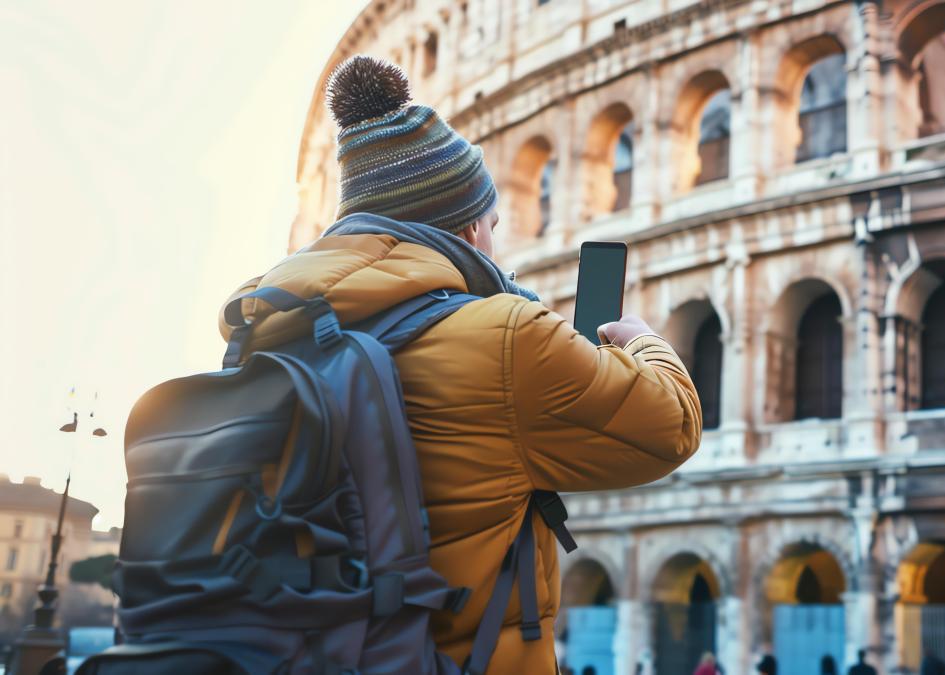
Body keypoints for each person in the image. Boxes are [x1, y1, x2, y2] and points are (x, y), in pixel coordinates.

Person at [219, 55, 702, 673]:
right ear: (468, 228)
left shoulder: (263, 327)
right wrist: (641, 343)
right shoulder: (507, 337)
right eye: (492, 222)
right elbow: (670, 427)